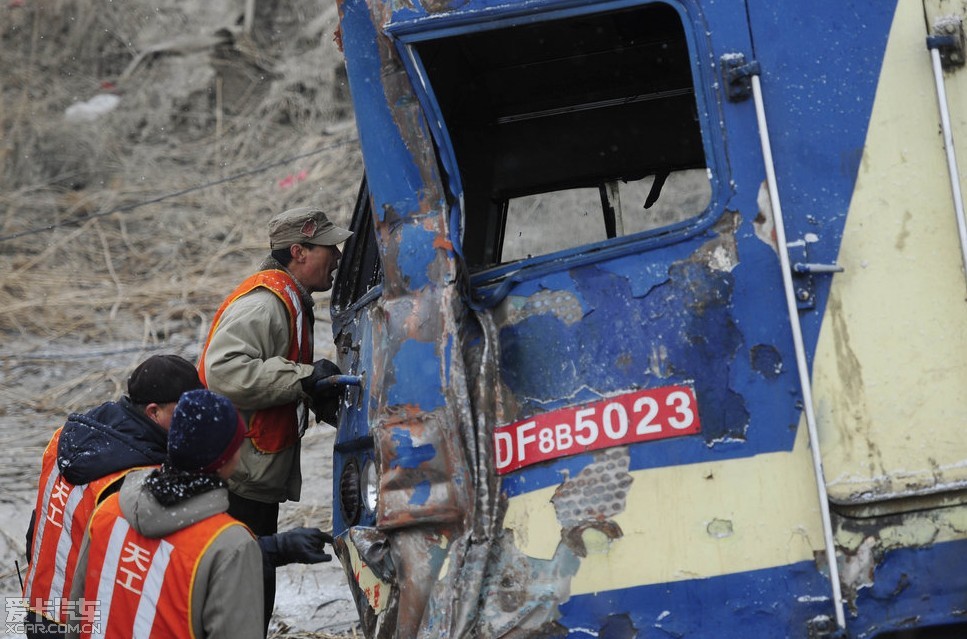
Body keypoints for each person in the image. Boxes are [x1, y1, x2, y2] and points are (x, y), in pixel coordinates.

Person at [66, 389, 334, 639]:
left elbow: (77, 613)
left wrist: (276, 548)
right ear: (226, 460)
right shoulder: (230, 546)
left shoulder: (110, 510)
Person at [197, 206, 352, 626]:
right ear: (299, 251)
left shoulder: (291, 300)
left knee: (248, 593)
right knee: (241, 602)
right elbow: (223, 370)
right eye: (329, 248)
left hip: (253, 476)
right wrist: (305, 378)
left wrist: (317, 393)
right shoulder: (266, 302)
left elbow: (268, 378)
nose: (337, 257)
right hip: (239, 481)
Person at [21, 354, 203, 638]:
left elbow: (38, 522)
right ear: (153, 412)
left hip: (38, 601)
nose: (195, 420)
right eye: (186, 411)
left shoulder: (64, 438)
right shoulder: (133, 478)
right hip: (79, 621)